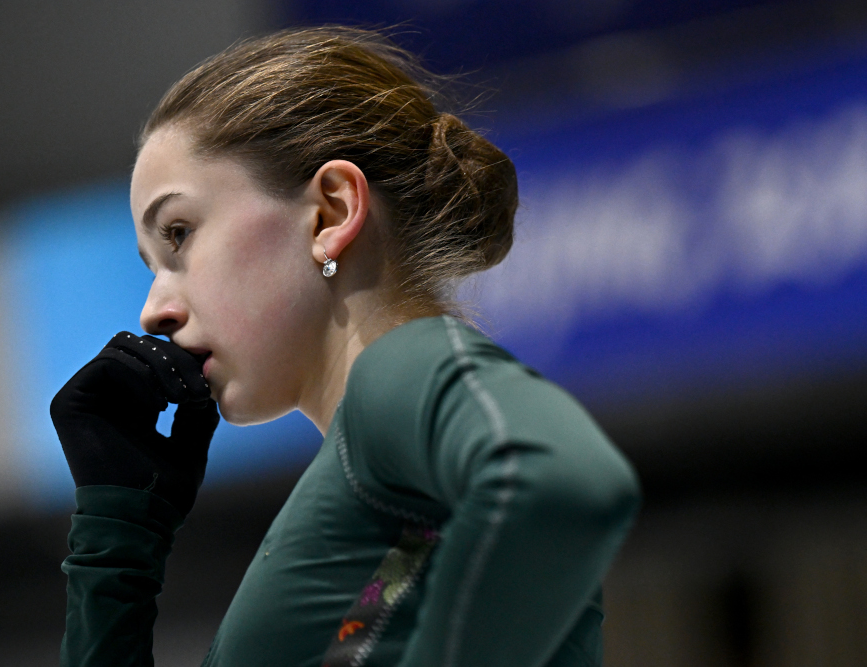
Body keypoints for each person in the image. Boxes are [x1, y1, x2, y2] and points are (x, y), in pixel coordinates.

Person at [50, 26, 641, 667]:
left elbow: (564, 481)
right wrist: (118, 537)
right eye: (152, 266)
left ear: (330, 213)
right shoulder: (376, 454)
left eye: (179, 234)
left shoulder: (397, 374)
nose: (154, 310)